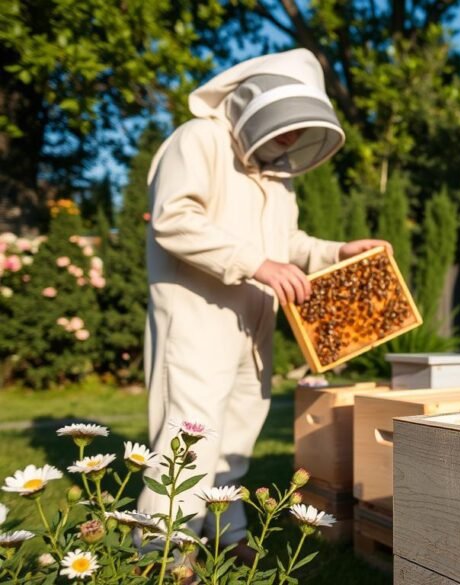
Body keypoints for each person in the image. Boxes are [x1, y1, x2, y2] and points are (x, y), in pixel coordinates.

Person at [138, 49, 389, 559]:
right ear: (255, 105)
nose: (290, 141)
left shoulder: (276, 179)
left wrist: (336, 252)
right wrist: (256, 263)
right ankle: (161, 551)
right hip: (196, 315)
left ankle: (227, 537)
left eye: (297, 133)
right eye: (284, 129)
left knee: (236, 432)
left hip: (253, 320)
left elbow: (288, 243)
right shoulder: (198, 140)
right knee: (190, 433)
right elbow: (173, 219)